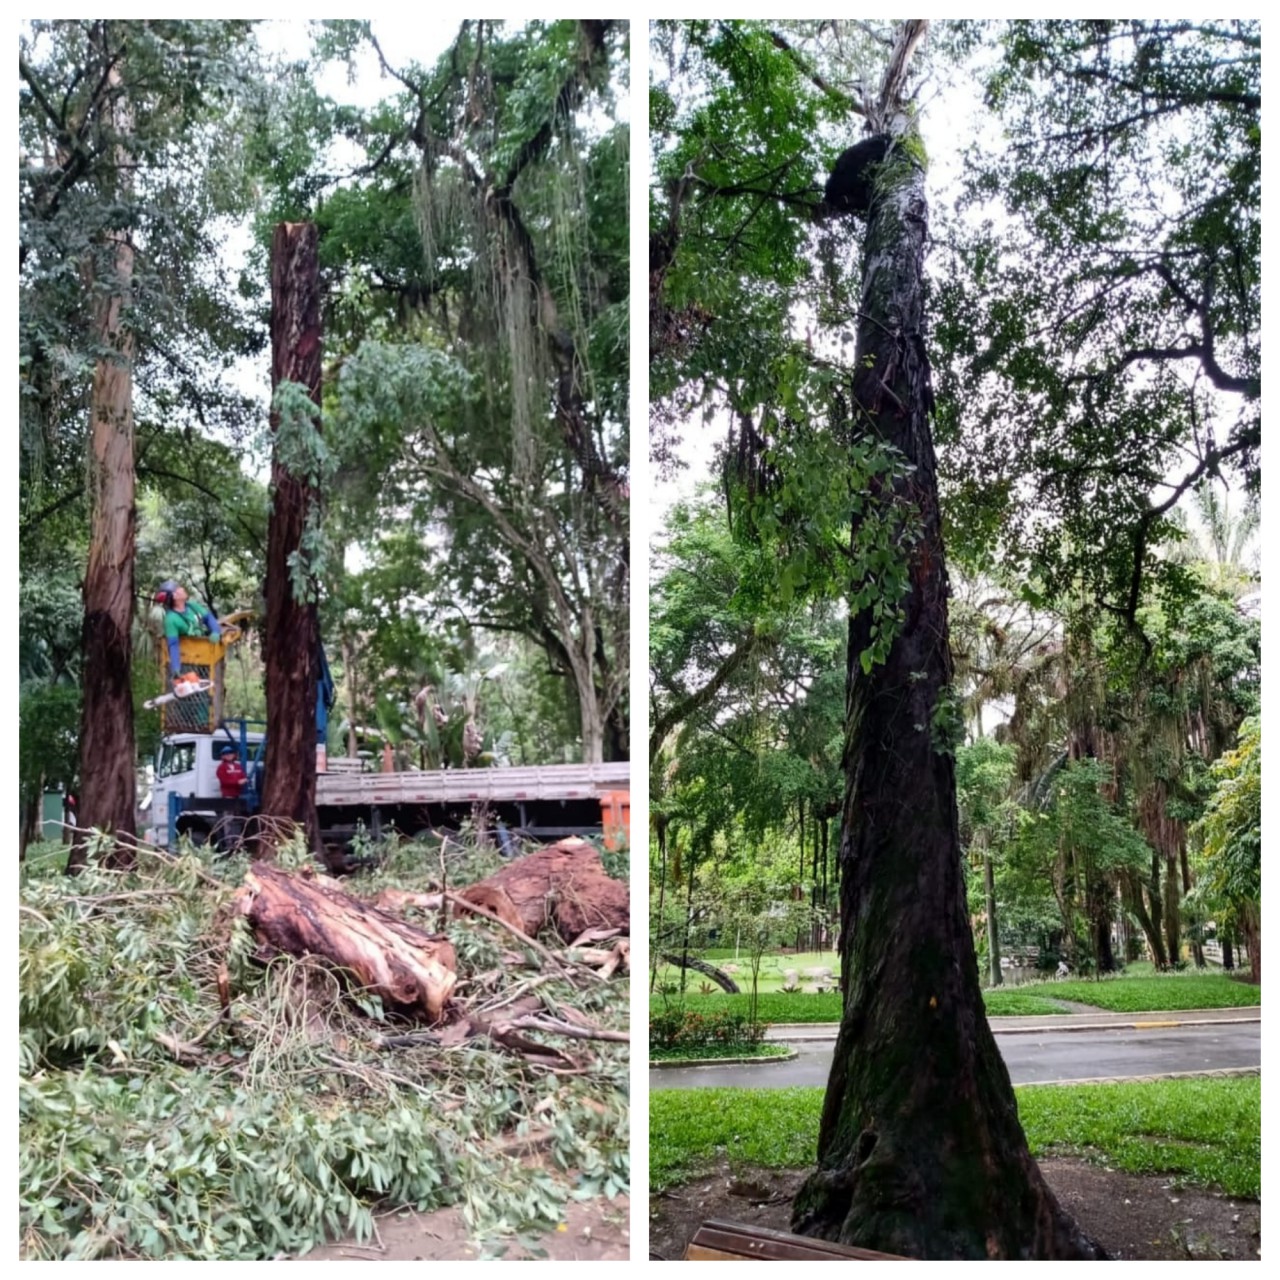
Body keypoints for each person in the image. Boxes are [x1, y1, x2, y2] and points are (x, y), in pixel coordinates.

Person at [156, 580, 221, 679]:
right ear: (174, 596)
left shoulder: (192, 606)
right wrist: (176, 668)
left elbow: (208, 618)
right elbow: (173, 644)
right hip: (188, 659)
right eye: (178, 589)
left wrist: (215, 631)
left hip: (206, 653)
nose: (182, 589)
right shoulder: (171, 620)